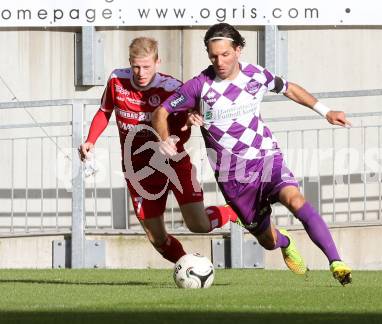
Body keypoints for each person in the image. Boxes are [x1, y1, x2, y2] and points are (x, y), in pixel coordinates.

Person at [152, 23, 352, 285]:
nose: (219, 61)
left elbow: (289, 88)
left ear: (238, 50)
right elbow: (161, 112)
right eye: (213, 56)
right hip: (233, 177)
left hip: (266, 159)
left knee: (295, 200)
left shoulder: (256, 75)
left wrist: (325, 111)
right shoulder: (199, 86)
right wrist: (165, 139)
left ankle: (336, 261)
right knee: (267, 241)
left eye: (225, 54)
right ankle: (285, 241)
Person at [79, 36, 237, 265]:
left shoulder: (172, 87)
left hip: (173, 164)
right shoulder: (116, 80)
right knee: (157, 238)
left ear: (157, 62)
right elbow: (105, 111)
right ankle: (189, 267)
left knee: (199, 225)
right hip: (138, 171)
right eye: (136, 66)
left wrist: (183, 128)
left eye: (146, 67)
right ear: (129, 63)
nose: (141, 72)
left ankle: (235, 212)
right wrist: (90, 140)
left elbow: (184, 129)